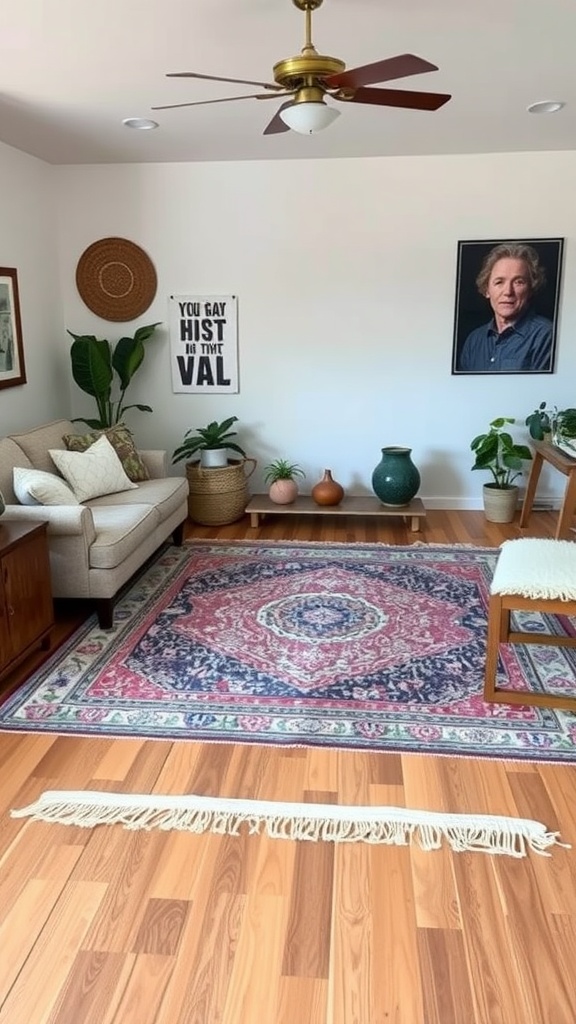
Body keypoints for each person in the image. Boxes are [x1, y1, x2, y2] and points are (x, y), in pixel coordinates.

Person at [457, 242, 554, 372]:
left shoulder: (546, 335)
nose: (508, 291)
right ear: (486, 290)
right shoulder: (474, 340)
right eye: (499, 282)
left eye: (519, 282)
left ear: (531, 289)